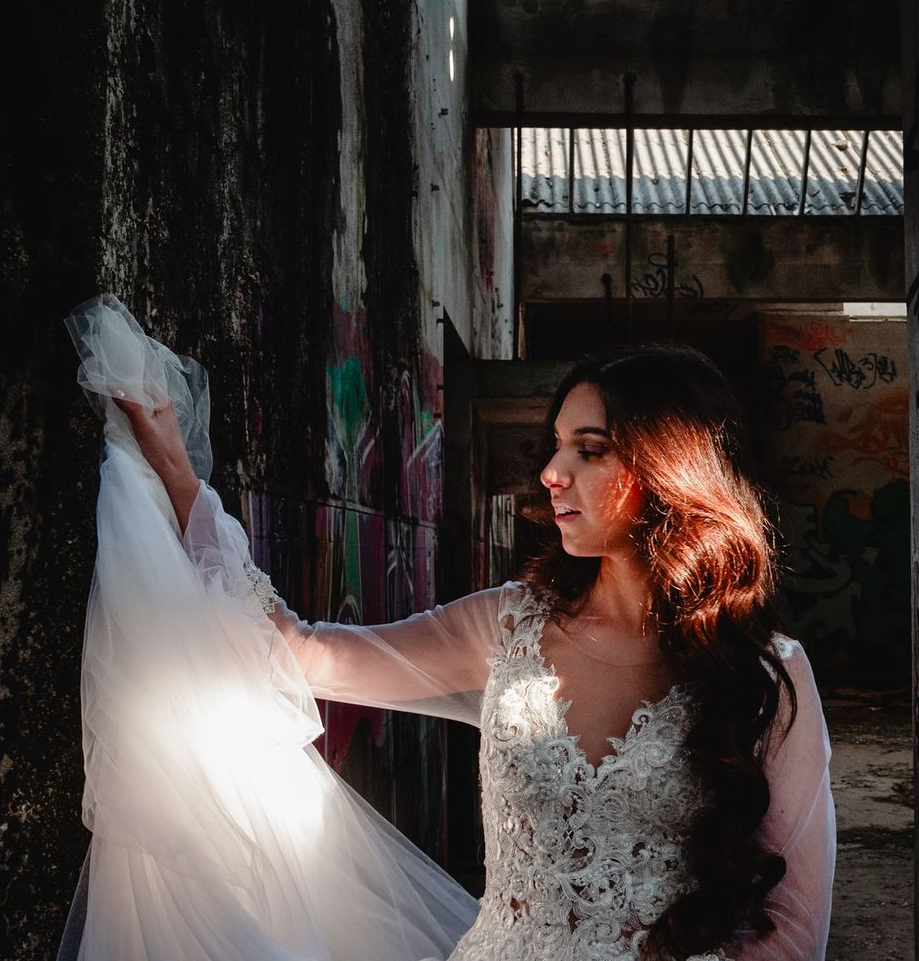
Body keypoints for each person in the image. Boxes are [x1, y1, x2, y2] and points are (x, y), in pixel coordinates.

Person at [110, 340, 835, 960]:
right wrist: (178, 481)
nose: (553, 473)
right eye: (556, 447)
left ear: (671, 468)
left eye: (589, 450)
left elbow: (794, 931)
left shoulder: (768, 673)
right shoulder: (507, 628)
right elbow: (302, 653)